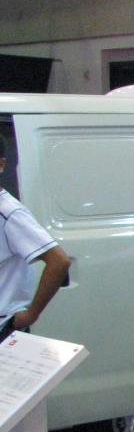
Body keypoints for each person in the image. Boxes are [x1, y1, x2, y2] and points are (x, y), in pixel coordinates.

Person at [0, 134, 71, 332]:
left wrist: (31, 314)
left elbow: (59, 261)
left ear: (2, 164)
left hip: (4, 324)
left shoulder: (10, 213)